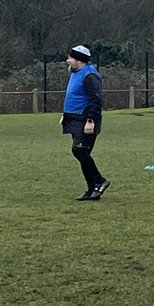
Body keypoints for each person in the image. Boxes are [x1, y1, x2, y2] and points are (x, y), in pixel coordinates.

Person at [61, 45, 109, 201]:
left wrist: (90, 121)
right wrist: (65, 115)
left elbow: (95, 100)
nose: (68, 61)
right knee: (82, 153)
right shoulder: (76, 73)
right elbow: (75, 96)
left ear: (79, 60)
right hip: (74, 119)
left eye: (71, 58)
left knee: (79, 150)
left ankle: (100, 181)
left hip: (85, 120)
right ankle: (92, 189)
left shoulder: (90, 76)